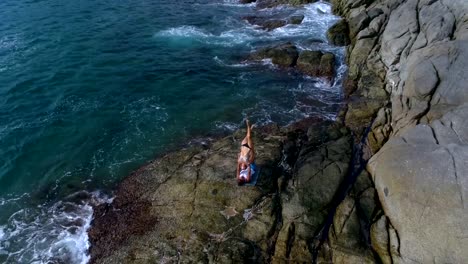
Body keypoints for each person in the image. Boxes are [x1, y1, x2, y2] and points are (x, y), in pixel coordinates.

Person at [237, 119, 255, 185]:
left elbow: (238, 169)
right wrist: (247, 164)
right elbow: (249, 171)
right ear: (242, 181)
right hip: (251, 164)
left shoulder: (239, 177)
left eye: (238, 178)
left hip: (244, 154)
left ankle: (251, 129)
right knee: (249, 137)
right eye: (240, 179)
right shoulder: (247, 180)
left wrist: (238, 160)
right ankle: (248, 124)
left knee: (246, 137)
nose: (239, 177)